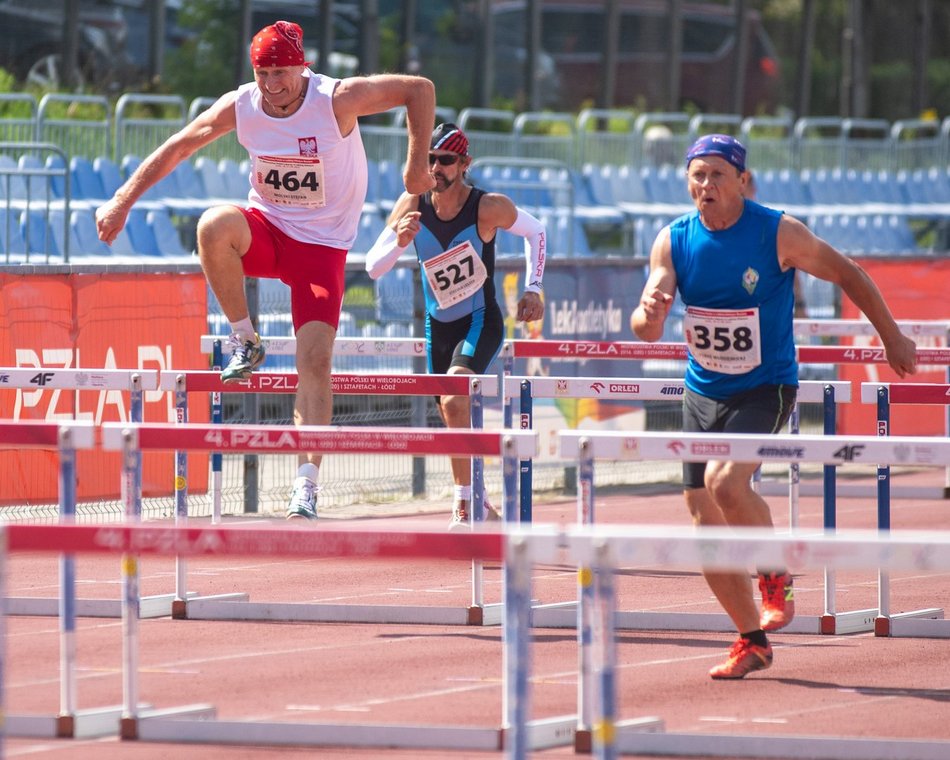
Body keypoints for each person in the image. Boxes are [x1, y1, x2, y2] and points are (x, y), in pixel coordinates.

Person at [96, 20, 436, 520]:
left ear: (303, 67)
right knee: (213, 225)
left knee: (315, 361)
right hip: (268, 229)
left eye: (281, 72)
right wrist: (122, 201)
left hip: (322, 247)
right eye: (262, 73)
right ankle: (245, 339)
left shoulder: (336, 99)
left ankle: (305, 485)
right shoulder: (242, 105)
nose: (272, 85)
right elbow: (181, 145)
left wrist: (415, 167)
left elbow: (418, 90)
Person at [630, 134, 917, 679]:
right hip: (702, 390)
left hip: (767, 387)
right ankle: (751, 641)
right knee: (703, 518)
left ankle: (775, 573)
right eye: (697, 176)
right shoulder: (673, 240)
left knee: (727, 485)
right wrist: (650, 313)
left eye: (717, 175)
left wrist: (892, 337)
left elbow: (848, 273)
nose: (706, 185)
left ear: (742, 180)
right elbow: (645, 323)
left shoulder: (778, 231)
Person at [365, 123, 546, 530]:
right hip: (438, 327)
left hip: (480, 319)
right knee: (452, 416)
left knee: (454, 399)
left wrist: (534, 288)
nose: (435, 168)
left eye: (445, 160)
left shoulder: (486, 206)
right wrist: (398, 240)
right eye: (429, 159)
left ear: (465, 163)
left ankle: (463, 504)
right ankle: (480, 503)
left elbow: (536, 231)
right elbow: (372, 268)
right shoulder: (412, 203)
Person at [744, 171, 807, 318]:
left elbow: (792, 266)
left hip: (766, 314)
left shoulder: (770, 228)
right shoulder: (715, 230)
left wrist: (800, 304)